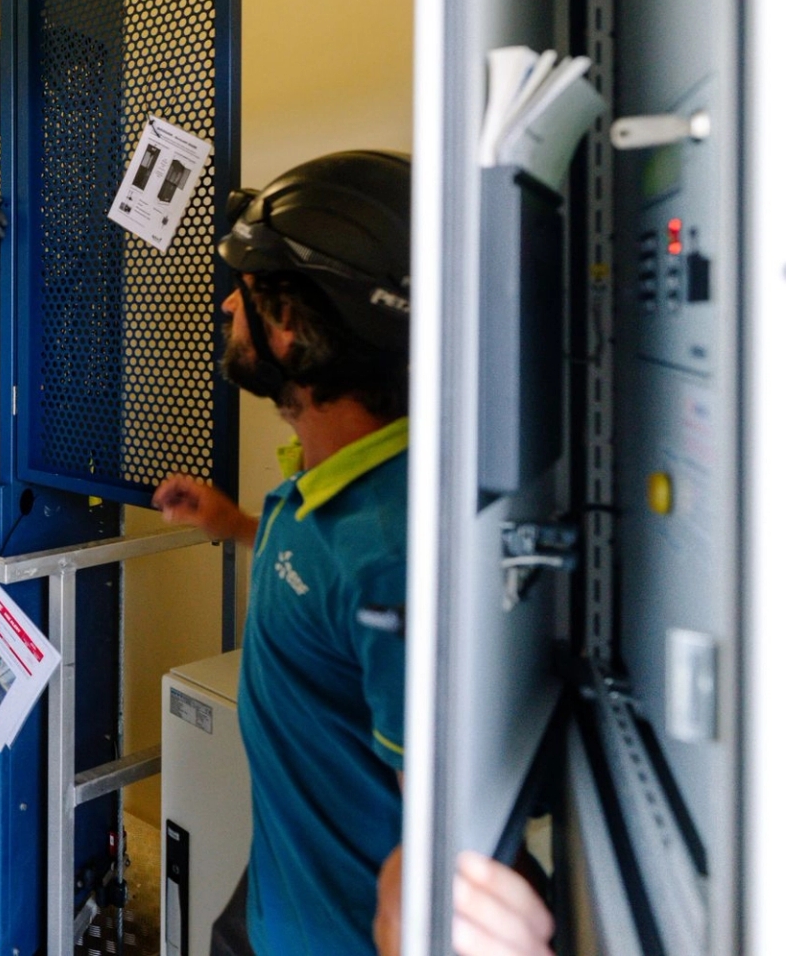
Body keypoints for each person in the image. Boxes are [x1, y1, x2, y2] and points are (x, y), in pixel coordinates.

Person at [152, 151, 553, 956]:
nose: (229, 305)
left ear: (295, 327)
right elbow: (327, 592)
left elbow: (448, 834)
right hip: (275, 892)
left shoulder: (397, 551)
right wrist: (236, 526)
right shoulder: (336, 484)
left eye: (251, 292)